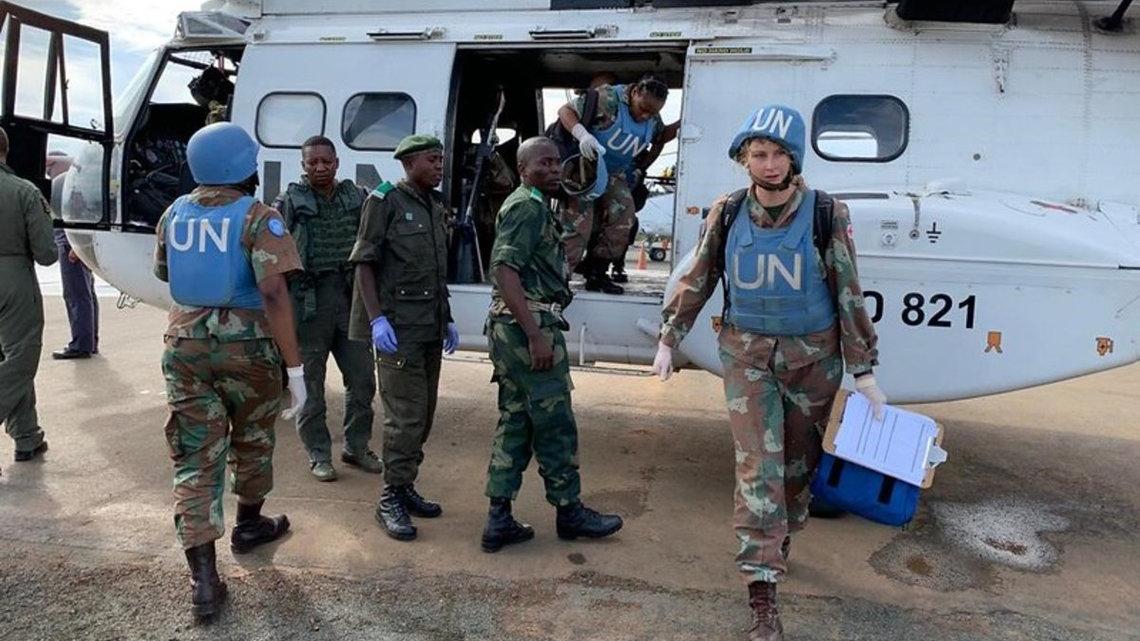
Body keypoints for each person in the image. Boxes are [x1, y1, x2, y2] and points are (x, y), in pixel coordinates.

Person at [650, 105, 885, 641]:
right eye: (759, 153)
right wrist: (669, 337)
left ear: (794, 158)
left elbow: (848, 291)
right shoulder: (728, 211)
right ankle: (762, 592)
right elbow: (698, 275)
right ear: (744, 159)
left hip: (814, 360)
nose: (770, 163)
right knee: (758, 468)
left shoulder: (827, 213)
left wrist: (864, 370)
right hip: (748, 357)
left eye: (780, 153)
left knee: (797, 470)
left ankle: (781, 535)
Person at [154, 122, 305, 620]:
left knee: (195, 458)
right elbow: (274, 292)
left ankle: (203, 580)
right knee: (253, 439)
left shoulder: (174, 213)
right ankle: (249, 524)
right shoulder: (260, 217)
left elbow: (165, 272)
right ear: (243, 167)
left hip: (184, 346)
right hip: (247, 349)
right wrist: (295, 369)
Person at [479, 136, 622, 553]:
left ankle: (499, 518)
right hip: (527, 325)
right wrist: (535, 334)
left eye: (557, 162)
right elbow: (504, 270)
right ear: (523, 169)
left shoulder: (538, 204)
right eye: (543, 163)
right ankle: (569, 511)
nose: (554, 169)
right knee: (556, 423)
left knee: (517, 421)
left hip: (519, 324)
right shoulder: (526, 207)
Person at [349, 134, 458, 542]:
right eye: (432, 159)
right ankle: (389, 497)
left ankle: (405, 483)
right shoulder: (384, 201)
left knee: (424, 415)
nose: (439, 165)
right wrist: (377, 319)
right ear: (409, 163)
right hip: (399, 330)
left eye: (440, 159)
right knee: (405, 418)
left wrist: (447, 318)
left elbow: (435, 269)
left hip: (429, 326)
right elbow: (364, 262)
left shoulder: (434, 204)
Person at [272, 136, 379, 482]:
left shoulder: (357, 197)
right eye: (312, 162)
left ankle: (356, 447)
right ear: (303, 166)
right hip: (309, 305)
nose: (320, 167)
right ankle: (318, 453)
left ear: (336, 163)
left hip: (349, 301)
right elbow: (273, 255)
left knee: (363, 381)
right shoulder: (288, 202)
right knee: (310, 387)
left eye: (326, 162)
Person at [556, 75, 677, 294]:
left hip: (614, 172)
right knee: (579, 225)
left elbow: (659, 136)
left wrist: (680, 124)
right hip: (588, 168)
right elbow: (566, 111)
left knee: (624, 217)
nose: (645, 116)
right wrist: (582, 135)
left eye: (652, 113)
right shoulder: (609, 99)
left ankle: (597, 272)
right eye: (643, 109)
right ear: (635, 92)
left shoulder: (651, 114)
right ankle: (557, 279)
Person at [0, 126, 56, 471]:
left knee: (9, 358)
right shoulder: (23, 191)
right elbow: (47, 253)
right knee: (22, 358)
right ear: (6, 149)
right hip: (13, 280)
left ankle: (27, 436)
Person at [47, 152, 100, 360]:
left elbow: (79, 219)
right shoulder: (78, 185)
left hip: (70, 240)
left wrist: (77, 246)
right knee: (85, 292)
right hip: (73, 241)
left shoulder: (71, 190)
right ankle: (89, 341)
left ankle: (81, 344)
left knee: (76, 293)